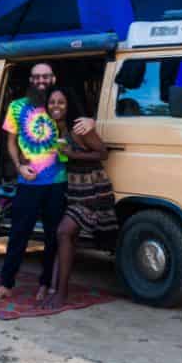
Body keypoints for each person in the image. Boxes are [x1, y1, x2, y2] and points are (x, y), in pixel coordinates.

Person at [0, 63, 93, 302]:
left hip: (57, 181)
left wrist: (91, 122)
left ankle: (45, 284)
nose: (41, 81)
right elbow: (11, 142)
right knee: (18, 234)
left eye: (46, 77)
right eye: (37, 77)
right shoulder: (16, 107)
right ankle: (6, 284)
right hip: (28, 181)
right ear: (31, 80)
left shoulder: (59, 105)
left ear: (53, 78)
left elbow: (84, 124)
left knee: (53, 235)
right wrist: (19, 166)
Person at [43, 86, 117, 310]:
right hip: (75, 190)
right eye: (52, 102)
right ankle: (55, 289)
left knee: (63, 232)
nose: (56, 106)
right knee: (66, 237)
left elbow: (103, 153)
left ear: (69, 106)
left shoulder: (79, 129)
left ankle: (61, 293)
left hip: (94, 190)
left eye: (61, 102)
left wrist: (72, 154)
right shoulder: (53, 129)